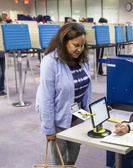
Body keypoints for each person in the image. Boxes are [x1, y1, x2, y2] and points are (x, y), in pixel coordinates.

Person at [35, 23, 91, 165]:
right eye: (76, 45)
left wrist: (88, 114)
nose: (80, 49)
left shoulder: (83, 60)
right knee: (59, 156)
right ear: (64, 42)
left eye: (82, 45)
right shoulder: (50, 62)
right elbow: (46, 99)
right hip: (58, 116)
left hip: (77, 114)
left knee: (74, 151)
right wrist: (48, 128)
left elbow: (86, 90)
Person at [0, 17, 6, 98]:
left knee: (3, 72)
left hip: (2, 53)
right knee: (0, 73)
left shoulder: (4, 30)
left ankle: (2, 89)